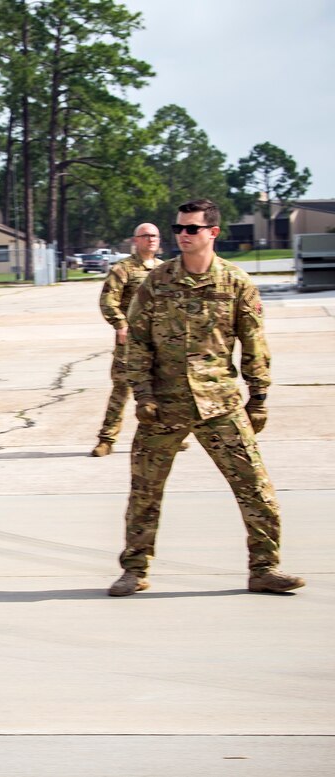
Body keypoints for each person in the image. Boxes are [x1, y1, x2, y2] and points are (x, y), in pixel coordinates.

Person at [108, 198, 305, 597]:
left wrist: (260, 396)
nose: (182, 234)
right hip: (164, 405)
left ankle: (264, 568)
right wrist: (143, 395)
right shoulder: (156, 282)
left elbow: (254, 343)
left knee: (256, 488)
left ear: (212, 232)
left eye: (191, 229)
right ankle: (134, 569)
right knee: (145, 490)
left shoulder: (236, 284)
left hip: (220, 404)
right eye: (179, 228)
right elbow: (138, 345)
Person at [91, 223, 164, 457]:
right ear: (136, 240)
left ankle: (167, 432)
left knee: (164, 388)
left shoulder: (166, 269)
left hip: (161, 341)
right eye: (145, 236)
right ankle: (107, 439)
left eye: (154, 236)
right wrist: (120, 324)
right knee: (122, 389)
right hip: (131, 342)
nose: (151, 239)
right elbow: (107, 301)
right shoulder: (124, 269)